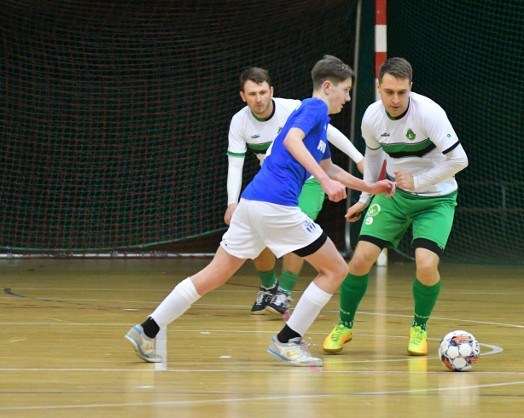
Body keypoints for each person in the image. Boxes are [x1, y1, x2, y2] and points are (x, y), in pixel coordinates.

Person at [125, 55, 395, 367]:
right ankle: (287, 340)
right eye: (345, 90)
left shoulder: (316, 122)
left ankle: (147, 329)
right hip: (275, 204)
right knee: (335, 270)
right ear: (327, 87)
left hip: (252, 203)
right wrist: (322, 180)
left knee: (214, 274)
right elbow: (295, 144)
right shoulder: (314, 107)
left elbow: (329, 167)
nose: (348, 98)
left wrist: (370, 187)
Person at [322, 57, 468, 356]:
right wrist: (364, 198)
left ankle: (419, 328)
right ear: (379, 87)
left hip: (437, 199)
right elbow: (373, 159)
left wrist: (420, 181)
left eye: (402, 92)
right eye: (389, 92)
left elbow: (459, 160)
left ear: (410, 87)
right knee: (360, 259)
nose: (395, 99)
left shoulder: (429, 113)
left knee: (426, 265)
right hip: (393, 195)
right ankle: (344, 325)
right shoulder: (372, 117)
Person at [225, 67, 365, 317]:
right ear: (243, 96)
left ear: (272, 91)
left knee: (298, 229)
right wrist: (231, 202)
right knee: (259, 233)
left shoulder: (294, 107)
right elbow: (235, 164)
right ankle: (268, 286)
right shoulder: (239, 121)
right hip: (274, 182)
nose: (259, 98)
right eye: (252, 93)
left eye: (262, 92)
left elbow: (327, 131)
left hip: (309, 179)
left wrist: (357, 157)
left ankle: (285, 293)